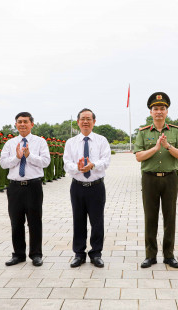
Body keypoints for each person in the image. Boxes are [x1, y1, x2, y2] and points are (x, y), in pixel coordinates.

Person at [134, 92, 178, 269]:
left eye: (162, 108)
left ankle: (169, 255)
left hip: (170, 178)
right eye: (155, 108)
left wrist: (167, 146)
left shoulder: (175, 131)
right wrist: (156, 148)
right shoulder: (142, 132)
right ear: (151, 112)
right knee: (150, 217)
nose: (159, 112)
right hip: (149, 179)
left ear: (167, 111)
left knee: (170, 217)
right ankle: (150, 255)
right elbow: (139, 156)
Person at [0, 112, 50, 267]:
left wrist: (29, 156)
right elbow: (3, 163)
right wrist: (17, 157)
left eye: (25, 122)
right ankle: (18, 254)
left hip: (33, 186)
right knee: (16, 222)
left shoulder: (40, 142)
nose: (22, 124)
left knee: (35, 221)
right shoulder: (10, 143)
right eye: (19, 122)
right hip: (15, 187)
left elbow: (46, 162)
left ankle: (36, 254)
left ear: (32, 124)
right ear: (15, 124)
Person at [64, 108, 111, 268]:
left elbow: (106, 161)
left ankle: (96, 253)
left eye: (88, 119)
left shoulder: (101, 140)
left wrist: (92, 165)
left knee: (97, 221)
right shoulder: (71, 142)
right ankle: (79, 253)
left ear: (94, 122)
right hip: (77, 187)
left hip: (96, 187)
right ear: (78, 122)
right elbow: (67, 163)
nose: (85, 121)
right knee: (78, 220)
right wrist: (78, 168)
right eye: (82, 119)